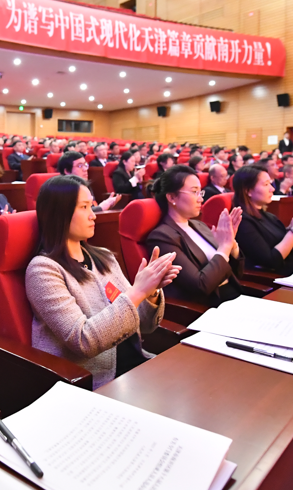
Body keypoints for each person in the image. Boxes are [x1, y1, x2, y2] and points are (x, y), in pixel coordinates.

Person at [26, 174, 176, 389]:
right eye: (84, 207)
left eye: (92, 206)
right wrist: (137, 292)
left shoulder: (104, 257)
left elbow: (145, 325)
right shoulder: (43, 270)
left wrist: (150, 293)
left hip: (136, 366)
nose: (93, 215)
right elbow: (83, 341)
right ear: (59, 213)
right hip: (96, 381)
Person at [145, 165, 244, 306]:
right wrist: (224, 248)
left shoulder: (200, 226)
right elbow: (200, 285)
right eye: (194, 192)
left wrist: (232, 245)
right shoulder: (162, 237)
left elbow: (237, 272)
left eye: (200, 192)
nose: (200, 199)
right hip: (211, 307)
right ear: (172, 197)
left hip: (235, 296)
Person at [233, 165, 293, 276]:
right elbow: (271, 261)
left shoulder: (270, 217)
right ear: (248, 191)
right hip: (273, 278)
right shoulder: (243, 222)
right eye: (266, 184)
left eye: (270, 183)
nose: (272, 189)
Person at [56, 152, 121, 211]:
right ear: (67, 171)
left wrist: (107, 206)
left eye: (85, 165)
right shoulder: (63, 190)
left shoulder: (84, 185)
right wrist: (101, 207)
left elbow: (90, 209)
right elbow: (77, 214)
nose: (85, 169)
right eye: (80, 166)